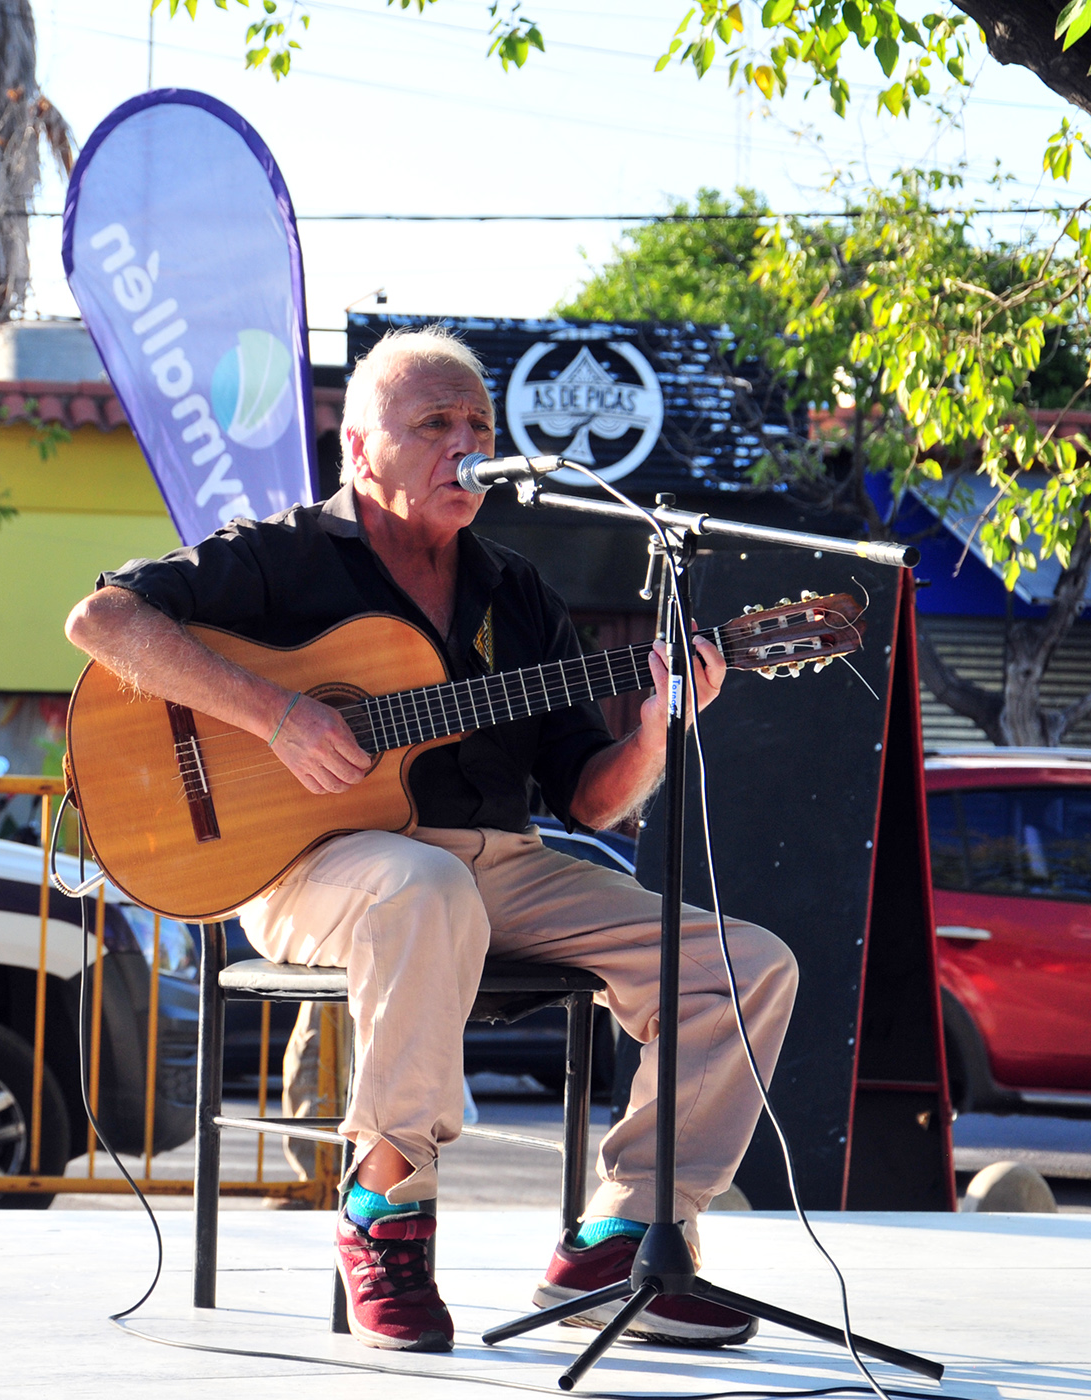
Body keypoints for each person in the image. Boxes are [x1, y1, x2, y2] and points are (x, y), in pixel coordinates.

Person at [64, 326, 798, 1353]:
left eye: (478, 425)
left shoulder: (516, 591)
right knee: (421, 888)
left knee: (750, 964)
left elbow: (589, 801)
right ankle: (384, 1212)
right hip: (309, 864)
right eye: (433, 425)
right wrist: (278, 716)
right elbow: (103, 623)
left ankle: (627, 1230)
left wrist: (655, 732)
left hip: (503, 862)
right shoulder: (282, 556)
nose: (466, 445)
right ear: (359, 448)